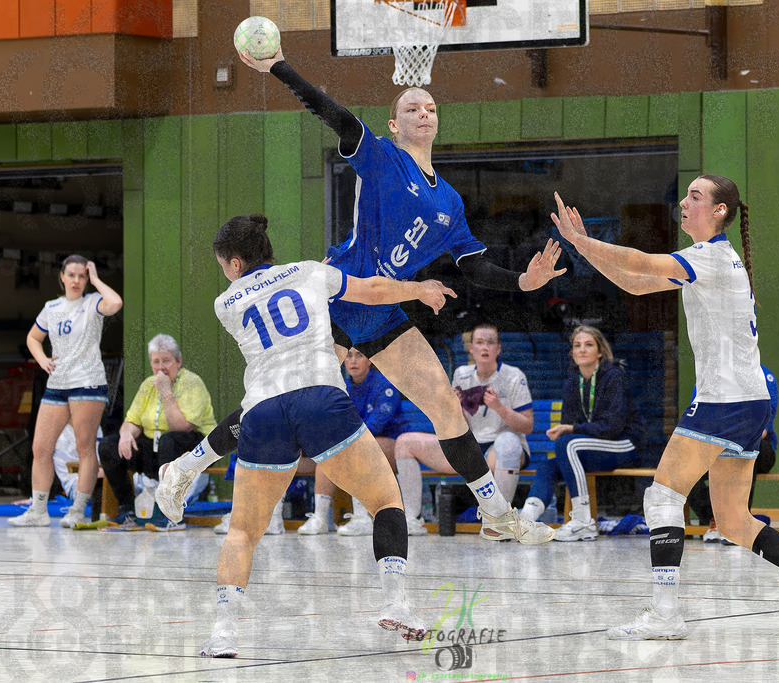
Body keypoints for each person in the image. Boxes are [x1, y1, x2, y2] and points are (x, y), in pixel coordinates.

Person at [158, 47, 564, 544]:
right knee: (275, 398)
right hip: (339, 293)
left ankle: (497, 514)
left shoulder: (450, 202)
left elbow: (473, 265)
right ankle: (184, 467)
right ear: (393, 125)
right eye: (412, 108)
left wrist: (525, 280)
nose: (424, 113)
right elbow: (332, 111)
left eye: (431, 107)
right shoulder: (382, 157)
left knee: (444, 405)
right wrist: (280, 66)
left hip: (382, 308)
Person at [551, 176, 779, 639]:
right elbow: (634, 283)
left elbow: (638, 260)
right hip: (747, 403)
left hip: (724, 400)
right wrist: (584, 249)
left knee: (661, 496)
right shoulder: (707, 260)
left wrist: (582, 239)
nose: (684, 202)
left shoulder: (710, 258)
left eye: (696, 196)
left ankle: (666, 614)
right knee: (733, 520)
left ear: (719, 212)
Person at [197, 213, 453, 657]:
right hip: (320, 399)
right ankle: (396, 603)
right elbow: (372, 290)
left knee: (242, 531)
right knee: (386, 502)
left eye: (223, 264)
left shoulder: (225, 303)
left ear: (235, 264)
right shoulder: (310, 272)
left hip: (262, 410)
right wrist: (419, 289)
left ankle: (222, 633)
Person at [9, 256, 122, 528]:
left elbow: (115, 303)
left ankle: (77, 510)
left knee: (85, 448)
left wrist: (96, 280)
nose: (76, 281)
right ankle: (37, 510)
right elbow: (33, 337)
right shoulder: (53, 307)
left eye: (81, 276)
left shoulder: (92, 302)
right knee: (40, 447)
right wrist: (42, 360)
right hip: (57, 383)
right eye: (71, 275)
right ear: (61, 276)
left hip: (87, 383)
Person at [395, 322, 534, 535]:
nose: (485, 347)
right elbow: (456, 427)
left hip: (502, 448)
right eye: (479, 343)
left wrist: (499, 407)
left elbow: (528, 425)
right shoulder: (461, 374)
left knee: (507, 443)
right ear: (471, 349)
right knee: (404, 443)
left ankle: (500, 521)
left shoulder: (514, 375)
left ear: (498, 349)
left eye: (490, 343)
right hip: (468, 446)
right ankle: (412, 518)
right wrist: (455, 409)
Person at [519, 325, 647, 542]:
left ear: (599, 352)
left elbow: (613, 427)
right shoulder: (571, 383)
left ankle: (583, 522)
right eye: (577, 345)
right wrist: (562, 431)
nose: (582, 349)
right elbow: (568, 425)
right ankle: (525, 521)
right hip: (592, 446)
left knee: (568, 444)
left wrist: (571, 431)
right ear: (572, 353)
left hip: (624, 444)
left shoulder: (613, 376)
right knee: (548, 466)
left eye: (589, 345)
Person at [97, 334, 216, 530]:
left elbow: (183, 427)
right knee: (109, 445)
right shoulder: (147, 384)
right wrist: (126, 433)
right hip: (156, 448)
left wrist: (166, 392)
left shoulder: (193, 383)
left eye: (166, 361)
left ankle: (172, 515)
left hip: (193, 448)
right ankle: (127, 511)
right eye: (156, 362)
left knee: (170, 440)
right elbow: (132, 420)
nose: (161, 367)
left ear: (179, 361)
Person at [298, 347, 408, 536]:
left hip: (393, 446)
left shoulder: (385, 386)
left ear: (370, 360)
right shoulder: (342, 388)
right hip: (355, 445)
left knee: (359, 447)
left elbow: (374, 427)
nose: (354, 361)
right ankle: (320, 517)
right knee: (329, 451)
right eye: (349, 356)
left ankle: (362, 517)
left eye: (360, 355)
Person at [689, 365, 778, 544]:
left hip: (758, 447)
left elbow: (761, 430)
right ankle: (716, 518)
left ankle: (738, 524)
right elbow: (698, 421)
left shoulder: (764, 377)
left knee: (746, 450)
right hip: (716, 446)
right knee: (686, 468)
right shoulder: (709, 377)